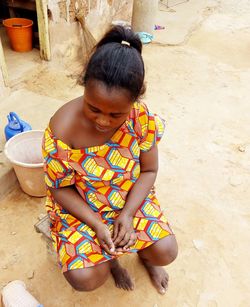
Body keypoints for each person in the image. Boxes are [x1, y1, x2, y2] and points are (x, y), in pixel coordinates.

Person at [42, 25, 178, 295]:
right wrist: (97, 224)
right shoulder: (61, 130)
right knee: (86, 278)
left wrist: (127, 214)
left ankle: (144, 257)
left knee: (166, 252)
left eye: (116, 115)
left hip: (128, 199)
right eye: (93, 108)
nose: (103, 121)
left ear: (134, 102)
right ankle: (112, 263)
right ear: (84, 87)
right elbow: (59, 188)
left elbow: (149, 171)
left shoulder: (141, 118)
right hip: (82, 208)